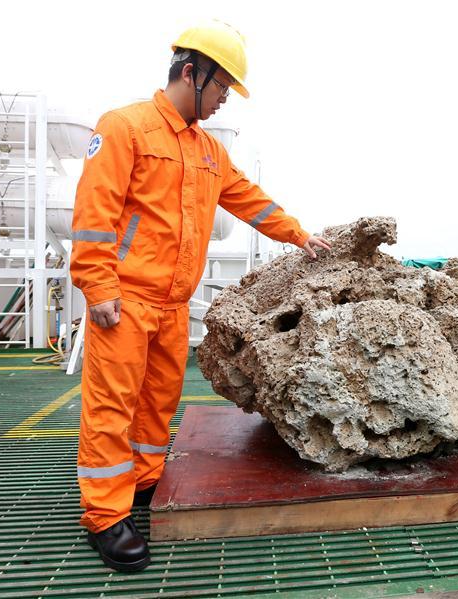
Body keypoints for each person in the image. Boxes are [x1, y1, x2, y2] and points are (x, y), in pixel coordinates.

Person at [69, 19, 331, 572]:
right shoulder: (125, 128)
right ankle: (104, 515)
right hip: (125, 299)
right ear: (192, 72)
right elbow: (95, 215)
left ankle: (140, 485)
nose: (221, 103)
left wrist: (299, 234)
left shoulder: (208, 151)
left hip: (171, 306)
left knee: (156, 404)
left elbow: (249, 200)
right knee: (112, 406)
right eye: (219, 90)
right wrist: (98, 285)